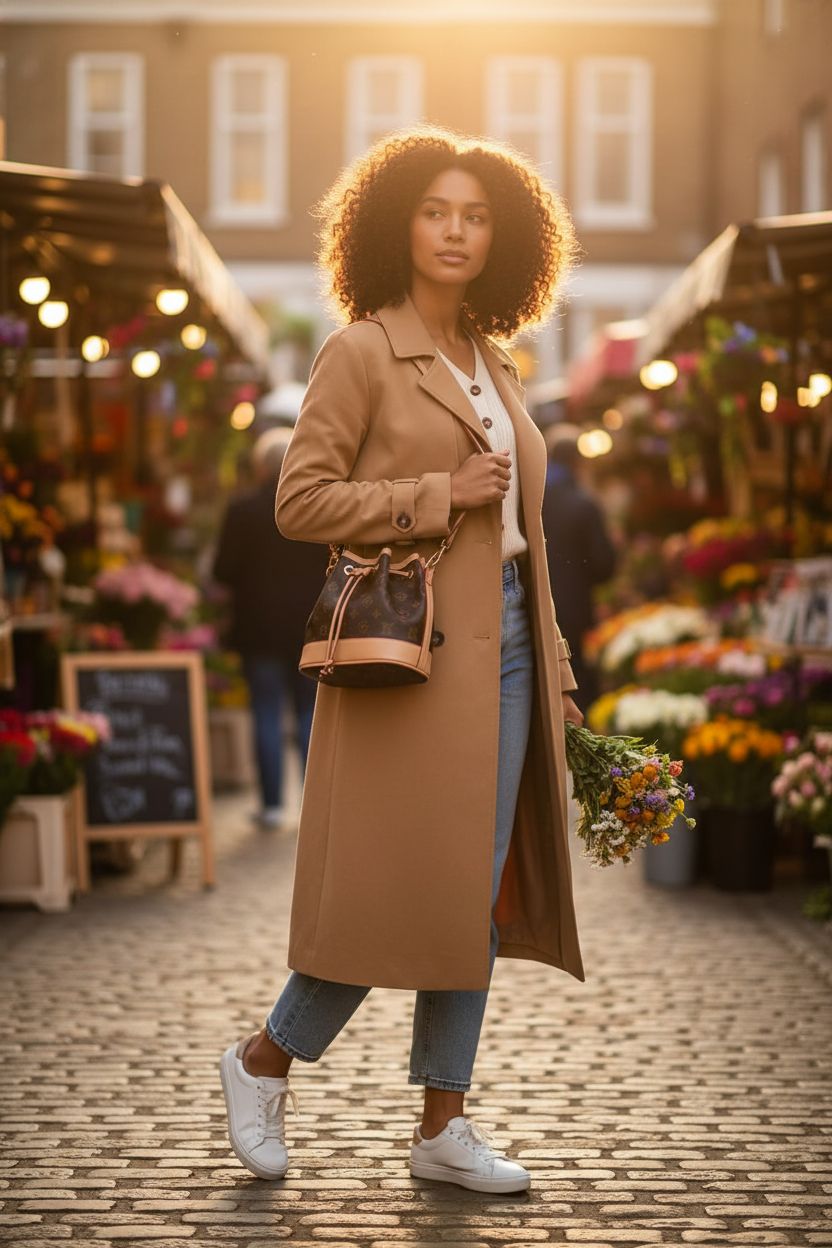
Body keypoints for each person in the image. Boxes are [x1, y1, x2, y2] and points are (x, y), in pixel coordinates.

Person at [219, 124, 586, 1194]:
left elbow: (529, 540)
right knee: (394, 893)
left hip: (511, 647)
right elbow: (302, 501)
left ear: (506, 236)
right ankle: (261, 1059)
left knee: (468, 896)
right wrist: (434, 496)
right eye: (436, 211)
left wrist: (555, 670)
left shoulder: (495, 359)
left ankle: (442, 1126)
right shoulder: (360, 351)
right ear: (398, 223)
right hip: (411, 657)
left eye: (476, 215)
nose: (457, 231)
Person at [212, 428, 327, 827]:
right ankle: (314, 807)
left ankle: (272, 806)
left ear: (261, 468)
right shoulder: (316, 507)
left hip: (258, 627)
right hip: (311, 625)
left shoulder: (242, 509)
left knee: (266, 712)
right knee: (311, 713)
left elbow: (221, 571)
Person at [542, 424, 617, 712]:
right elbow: (604, 565)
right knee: (580, 685)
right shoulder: (584, 504)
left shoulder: (532, 502)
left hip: (538, 605)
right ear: (577, 461)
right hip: (577, 611)